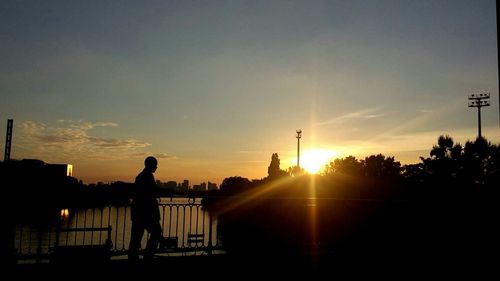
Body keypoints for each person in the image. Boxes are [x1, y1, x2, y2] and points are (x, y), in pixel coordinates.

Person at [128, 156, 163, 261]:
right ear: (150, 165)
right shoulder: (146, 176)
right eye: (155, 165)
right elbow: (152, 192)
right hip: (147, 213)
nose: (156, 167)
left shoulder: (142, 176)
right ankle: (147, 256)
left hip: (140, 212)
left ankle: (135, 257)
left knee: (136, 236)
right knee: (155, 233)